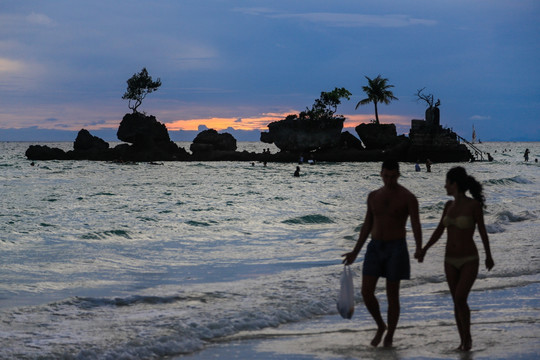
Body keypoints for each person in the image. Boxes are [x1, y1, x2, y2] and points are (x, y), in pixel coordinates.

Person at [342, 159, 422, 347]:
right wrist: (355, 251)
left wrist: (419, 247)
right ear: (381, 174)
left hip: (397, 248)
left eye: (393, 177)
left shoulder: (408, 197)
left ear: (398, 175)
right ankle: (380, 325)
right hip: (375, 247)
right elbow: (367, 225)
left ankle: (390, 335)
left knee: (392, 294)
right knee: (366, 292)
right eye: (386, 176)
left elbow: (416, 224)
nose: (389, 180)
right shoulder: (373, 196)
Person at [418, 166, 494, 351]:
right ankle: (463, 342)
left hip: (469, 259)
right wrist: (425, 249)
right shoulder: (447, 206)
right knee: (456, 301)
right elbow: (439, 230)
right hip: (449, 260)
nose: (445, 187)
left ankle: (468, 339)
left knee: (460, 298)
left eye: (447, 183)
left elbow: (482, 231)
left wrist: (488, 256)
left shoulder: (473, 206)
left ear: (455, 184)